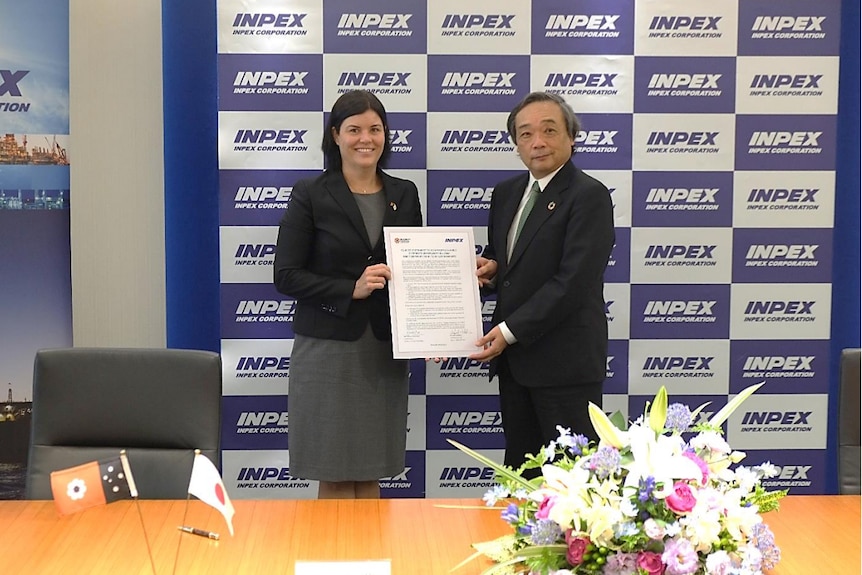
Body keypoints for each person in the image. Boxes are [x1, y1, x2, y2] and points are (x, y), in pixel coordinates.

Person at [273, 90, 422, 499]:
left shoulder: (405, 193)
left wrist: (434, 324)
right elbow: (285, 276)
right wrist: (349, 289)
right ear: (336, 135)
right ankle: (333, 562)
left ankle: (370, 563)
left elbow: (415, 271)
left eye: (375, 129)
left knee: (371, 471)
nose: (366, 139)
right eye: (354, 129)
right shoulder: (311, 193)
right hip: (328, 348)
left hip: (383, 350)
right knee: (335, 473)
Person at [472, 91, 615, 475]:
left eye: (549, 130)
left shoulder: (589, 196)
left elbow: (573, 282)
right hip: (517, 365)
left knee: (573, 487)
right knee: (523, 479)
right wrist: (492, 269)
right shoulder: (506, 194)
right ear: (516, 143)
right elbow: (515, 264)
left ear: (571, 136)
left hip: (565, 366)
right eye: (525, 134)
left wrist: (507, 330)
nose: (537, 142)